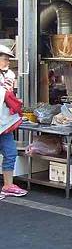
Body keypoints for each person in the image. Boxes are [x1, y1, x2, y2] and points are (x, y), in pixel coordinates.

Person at [0, 45, 27, 198]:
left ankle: (8, 185)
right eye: (5, 59)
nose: (7, 62)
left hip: (5, 123)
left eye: (9, 59)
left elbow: (9, 96)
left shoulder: (9, 74)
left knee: (11, 153)